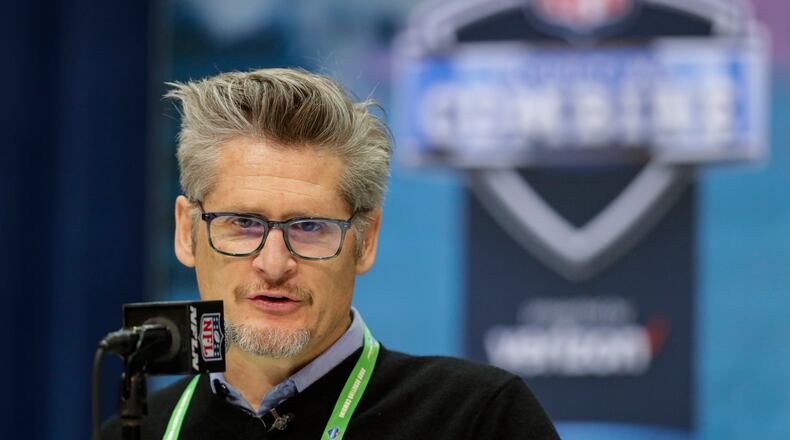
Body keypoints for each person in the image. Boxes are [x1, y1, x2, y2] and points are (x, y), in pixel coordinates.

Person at [102, 68, 559, 439]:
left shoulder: (477, 417)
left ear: (366, 240)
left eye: (309, 227)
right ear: (187, 232)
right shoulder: (139, 431)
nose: (274, 264)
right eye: (243, 223)